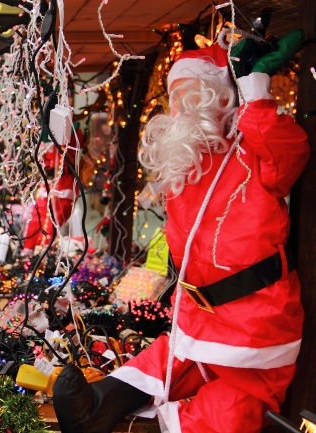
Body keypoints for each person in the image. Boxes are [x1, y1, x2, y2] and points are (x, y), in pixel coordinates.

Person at [52, 34, 309, 433]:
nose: (185, 109)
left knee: (235, 407)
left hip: (254, 324)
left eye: (198, 95)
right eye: (179, 97)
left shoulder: (253, 151)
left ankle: (157, 428)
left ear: (223, 97)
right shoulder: (185, 163)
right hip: (196, 318)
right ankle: (100, 405)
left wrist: (255, 91)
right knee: (161, 364)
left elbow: (288, 151)